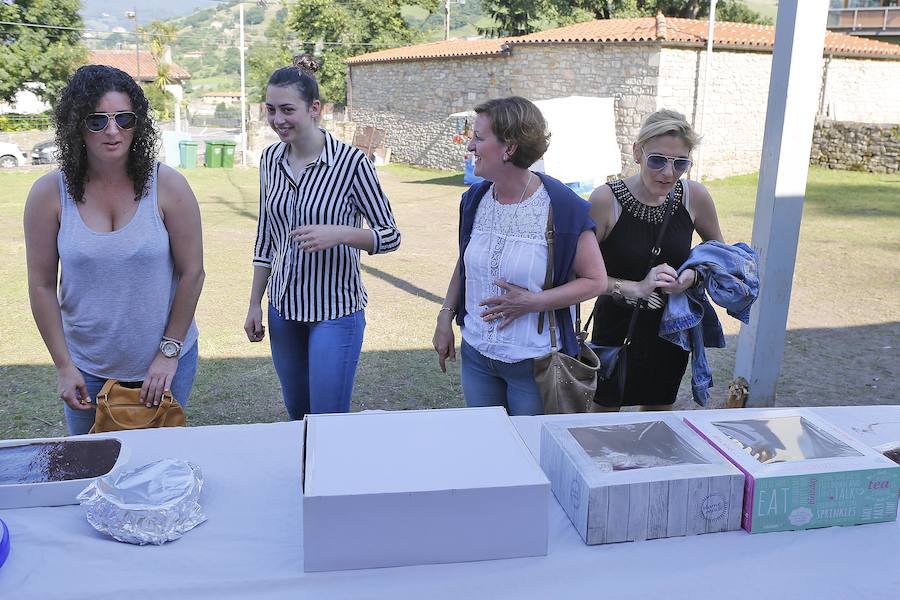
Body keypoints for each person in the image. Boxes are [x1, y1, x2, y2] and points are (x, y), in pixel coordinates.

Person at [24, 65, 205, 435]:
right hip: (86, 370)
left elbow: (192, 273)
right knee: (93, 475)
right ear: (76, 124)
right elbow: (41, 285)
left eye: (124, 118)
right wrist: (63, 365)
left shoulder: (168, 185)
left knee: (160, 471)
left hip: (165, 366)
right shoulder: (48, 195)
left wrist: (168, 353)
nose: (112, 130)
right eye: (97, 120)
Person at [244, 55, 400, 420]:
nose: (278, 120)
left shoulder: (352, 164)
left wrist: (341, 233)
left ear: (315, 108)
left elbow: (390, 236)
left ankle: (332, 478)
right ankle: (304, 476)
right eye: (271, 110)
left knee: (328, 418)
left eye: (287, 109)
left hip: (335, 312)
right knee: (297, 412)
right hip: (283, 309)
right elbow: (266, 235)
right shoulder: (270, 160)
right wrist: (255, 302)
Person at [432, 96, 607, 416]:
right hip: (477, 357)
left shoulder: (562, 207)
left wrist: (533, 302)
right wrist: (446, 315)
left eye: (479, 138)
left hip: (535, 364)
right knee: (488, 448)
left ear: (508, 148)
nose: (470, 146)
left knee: (530, 454)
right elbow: (465, 262)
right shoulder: (475, 199)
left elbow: (596, 281)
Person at [588, 108, 723, 411]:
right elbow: (578, 274)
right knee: (602, 421)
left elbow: (718, 256)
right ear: (638, 152)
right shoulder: (605, 201)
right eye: (658, 160)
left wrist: (693, 277)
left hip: (671, 330)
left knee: (657, 422)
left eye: (680, 163)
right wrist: (635, 288)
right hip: (616, 328)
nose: (668, 173)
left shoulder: (694, 197)